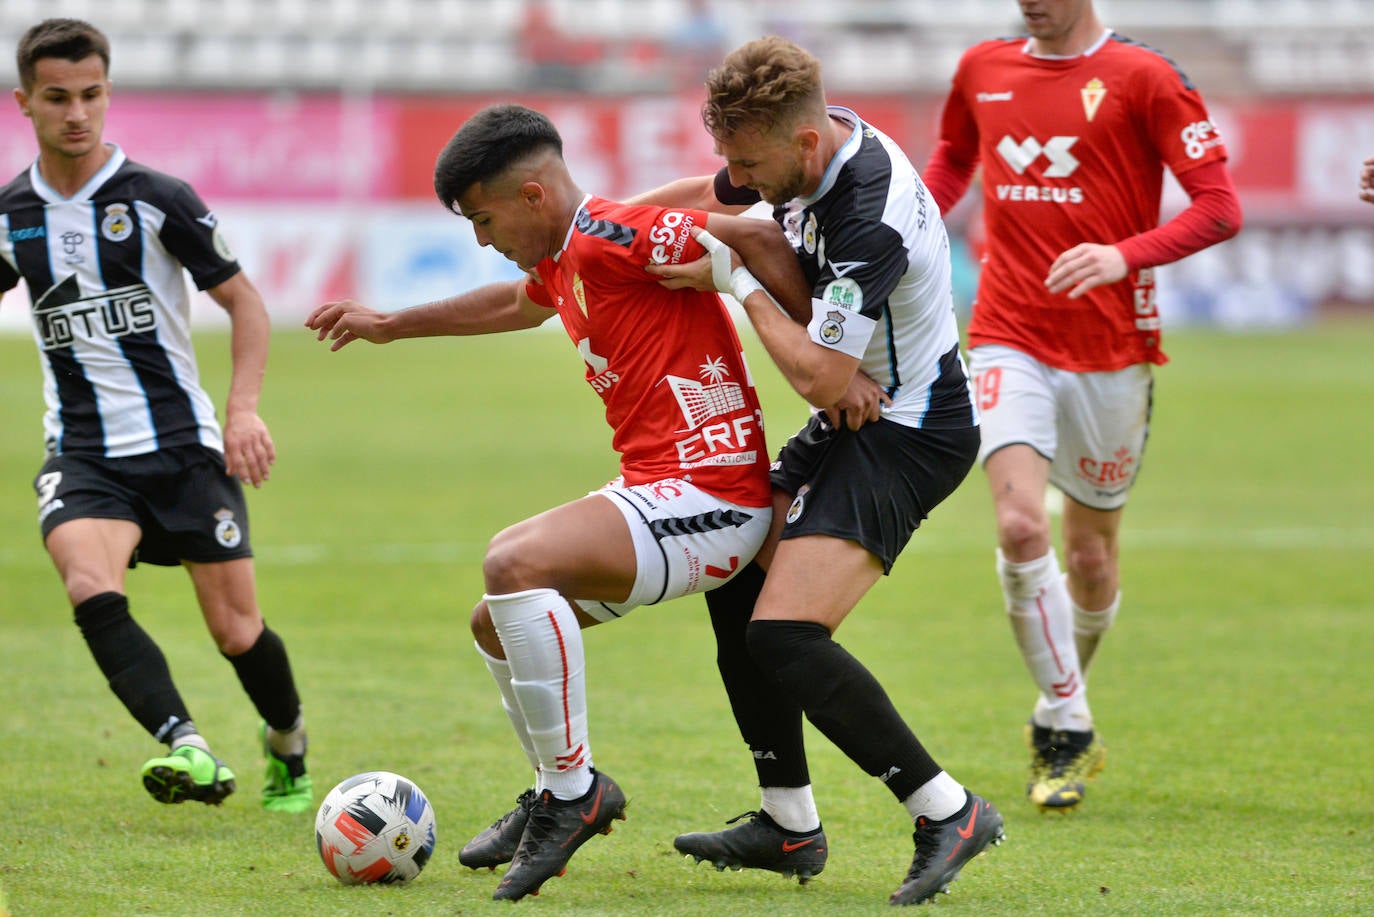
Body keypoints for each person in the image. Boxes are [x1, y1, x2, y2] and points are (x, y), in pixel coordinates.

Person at [304, 103, 808, 901]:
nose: (481, 239)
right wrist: (391, 325)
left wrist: (827, 346)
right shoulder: (569, 254)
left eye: (483, 218)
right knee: (494, 621)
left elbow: (754, 231)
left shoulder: (613, 235)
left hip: (716, 494)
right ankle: (557, 789)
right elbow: (515, 304)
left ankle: (574, 796)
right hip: (660, 494)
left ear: (533, 196)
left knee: (513, 560)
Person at [635, 36, 1005, 906]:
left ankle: (946, 810)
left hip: (911, 432)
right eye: (733, 158)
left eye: (750, 162)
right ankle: (788, 820)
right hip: (852, 421)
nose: (739, 176)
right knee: (730, 567)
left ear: (803, 143)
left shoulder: (865, 216)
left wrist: (736, 277)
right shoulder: (801, 152)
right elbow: (703, 197)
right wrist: (596, 230)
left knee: (785, 634)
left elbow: (822, 376)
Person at [920, 0, 1243, 811]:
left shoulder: (1146, 78)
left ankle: (1054, 699)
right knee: (1023, 525)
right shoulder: (982, 68)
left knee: (1091, 556)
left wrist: (1121, 255)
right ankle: (1067, 725)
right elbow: (955, 158)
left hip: (1113, 350)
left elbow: (1219, 206)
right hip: (1005, 331)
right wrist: (911, 226)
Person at [1, 19, 312, 813]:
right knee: (85, 580)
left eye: (92, 94)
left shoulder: (155, 200)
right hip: (83, 453)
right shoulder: (10, 217)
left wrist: (242, 410)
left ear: (108, 93)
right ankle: (188, 744)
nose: (78, 113)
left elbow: (244, 302)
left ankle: (287, 741)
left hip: (181, 448)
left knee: (237, 629)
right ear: (25, 103)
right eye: (58, 98)